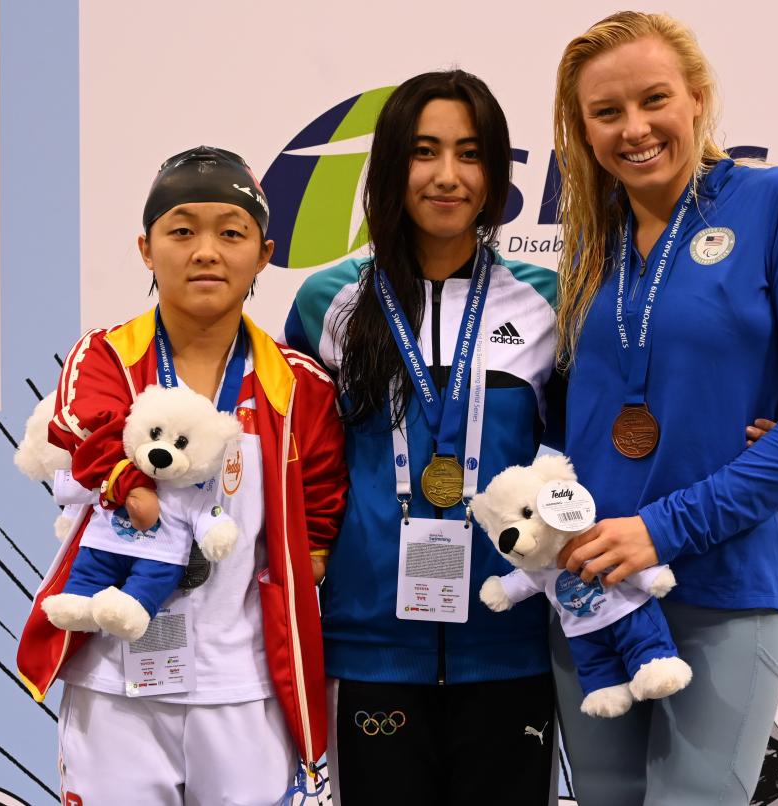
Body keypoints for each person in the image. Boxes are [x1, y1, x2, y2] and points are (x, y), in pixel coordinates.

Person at [550, 12, 778, 806]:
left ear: (697, 97)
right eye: (607, 113)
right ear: (583, 133)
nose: (635, 129)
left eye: (654, 99)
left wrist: (663, 527)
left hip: (717, 588)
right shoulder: (591, 244)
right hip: (590, 593)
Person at [16, 146, 347, 804]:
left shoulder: (301, 387)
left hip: (245, 687)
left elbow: (321, 518)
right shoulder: (105, 356)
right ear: (145, 248)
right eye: (182, 230)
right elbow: (88, 437)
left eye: (231, 232)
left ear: (264, 250)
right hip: (116, 681)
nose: (206, 251)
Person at [285, 71, 560, 805]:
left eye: (469, 154)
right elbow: (300, 466)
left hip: (511, 640)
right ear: (389, 168)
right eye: (423, 152)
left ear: (498, 172)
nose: (447, 176)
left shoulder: (547, 300)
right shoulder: (326, 302)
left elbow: (582, 451)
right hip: (372, 646)